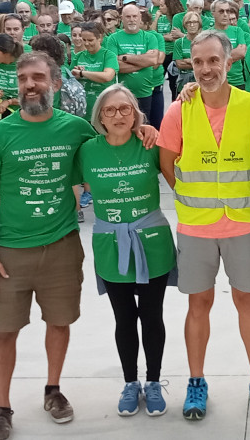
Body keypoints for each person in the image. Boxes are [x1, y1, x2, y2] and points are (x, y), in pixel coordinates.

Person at [157, 30, 250, 421]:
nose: (206, 69)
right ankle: (196, 382)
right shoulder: (178, 109)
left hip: (241, 223)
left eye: (214, 61)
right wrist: (196, 198)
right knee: (198, 304)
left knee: (247, 302)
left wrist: (240, 193)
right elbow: (167, 164)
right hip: (196, 227)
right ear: (191, 65)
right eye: (199, 62)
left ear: (229, 61)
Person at [0, 52, 92, 439]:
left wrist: (146, 130)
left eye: (38, 77)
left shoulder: (75, 128)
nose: (29, 85)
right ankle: (2, 407)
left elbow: (113, 146)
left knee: (59, 323)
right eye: (23, 78)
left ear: (55, 83)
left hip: (62, 245)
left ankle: (53, 390)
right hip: (11, 253)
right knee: (4, 330)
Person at [80, 83, 175, 417]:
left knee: (152, 316)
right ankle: (130, 382)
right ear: (100, 118)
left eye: (125, 109)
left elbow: (180, 170)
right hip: (110, 243)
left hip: (152, 242)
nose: (118, 115)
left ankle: (153, 381)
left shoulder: (150, 144)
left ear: (136, 113)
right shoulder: (87, 150)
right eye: (110, 110)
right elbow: (66, 185)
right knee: (124, 318)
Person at [105, 2, 160, 116]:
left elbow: (154, 61)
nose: (132, 20)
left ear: (140, 18)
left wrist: (125, 58)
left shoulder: (150, 37)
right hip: (122, 94)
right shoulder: (113, 39)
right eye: (128, 16)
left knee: (143, 128)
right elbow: (116, 67)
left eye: (135, 16)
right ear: (122, 19)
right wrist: (144, 61)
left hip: (144, 93)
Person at [71, 22, 118, 122]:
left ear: (100, 38)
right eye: (84, 40)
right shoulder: (79, 56)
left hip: (104, 106)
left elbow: (107, 76)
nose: (87, 43)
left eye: (90, 40)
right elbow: (70, 78)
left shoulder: (109, 55)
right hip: (83, 109)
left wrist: (82, 73)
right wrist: (75, 75)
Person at [211, 0, 250, 91]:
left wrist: (218, 57)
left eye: (227, 11)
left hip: (237, 81)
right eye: (221, 11)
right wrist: (232, 55)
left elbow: (241, 52)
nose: (225, 14)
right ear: (213, 14)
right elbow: (209, 59)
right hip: (217, 81)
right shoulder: (209, 33)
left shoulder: (237, 30)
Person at [153, 0, 185, 101]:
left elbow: (174, 37)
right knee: (156, 82)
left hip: (172, 54)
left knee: (173, 84)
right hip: (162, 53)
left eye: (162, 5)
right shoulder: (160, 18)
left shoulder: (177, 19)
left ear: (169, 6)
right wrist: (157, 18)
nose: (160, 8)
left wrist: (162, 37)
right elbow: (153, 34)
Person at [172, 11, 201, 94]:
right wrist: (197, 62)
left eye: (195, 22)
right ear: (185, 25)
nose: (192, 25)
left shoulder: (204, 41)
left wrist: (187, 60)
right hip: (183, 80)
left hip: (200, 79)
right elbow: (179, 64)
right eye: (189, 22)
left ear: (199, 24)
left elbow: (205, 63)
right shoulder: (179, 42)